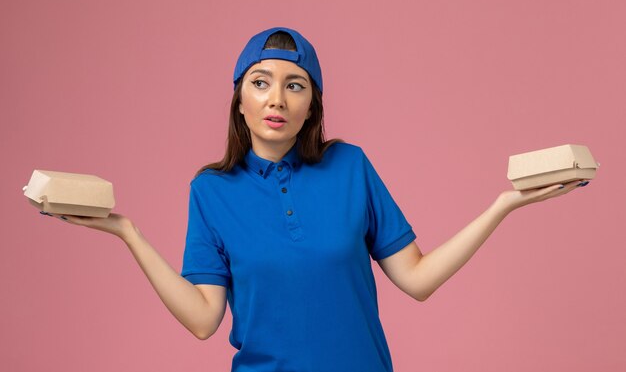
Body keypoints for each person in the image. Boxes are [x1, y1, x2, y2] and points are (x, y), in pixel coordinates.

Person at [42, 27, 590, 372]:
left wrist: (503, 205)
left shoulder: (349, 166)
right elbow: (204, 320)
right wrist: (127, 232)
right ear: (239, 101)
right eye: (260, 82)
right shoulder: (210, 191)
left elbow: (417, 280)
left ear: (312, 106)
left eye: (295, 85)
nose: (276, 98)